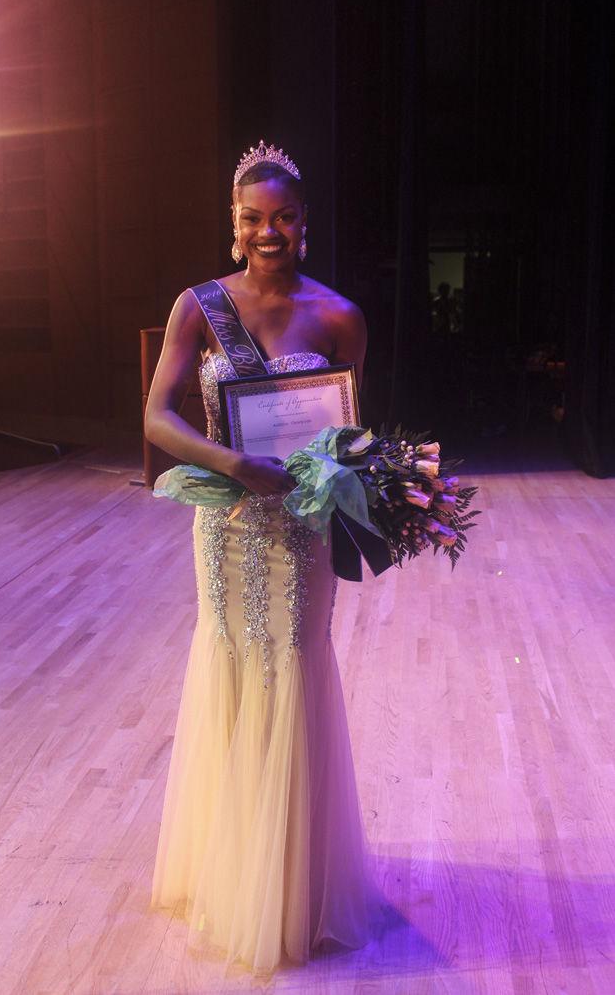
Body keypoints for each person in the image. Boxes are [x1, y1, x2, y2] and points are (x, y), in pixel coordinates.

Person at [145, 141, 385, 974]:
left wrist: (352, 476)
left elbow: (353, 434)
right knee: (235, 670)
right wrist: (233, 464)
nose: (268, 231)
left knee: (292, 668)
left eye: (283, 217)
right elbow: (158, 418)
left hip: (300, 533)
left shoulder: (340, 317)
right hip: (228, 524)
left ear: (304, 224)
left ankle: (294, 886)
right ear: (235, 225)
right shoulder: (198, 306)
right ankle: (234, 870)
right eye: (253, 218)